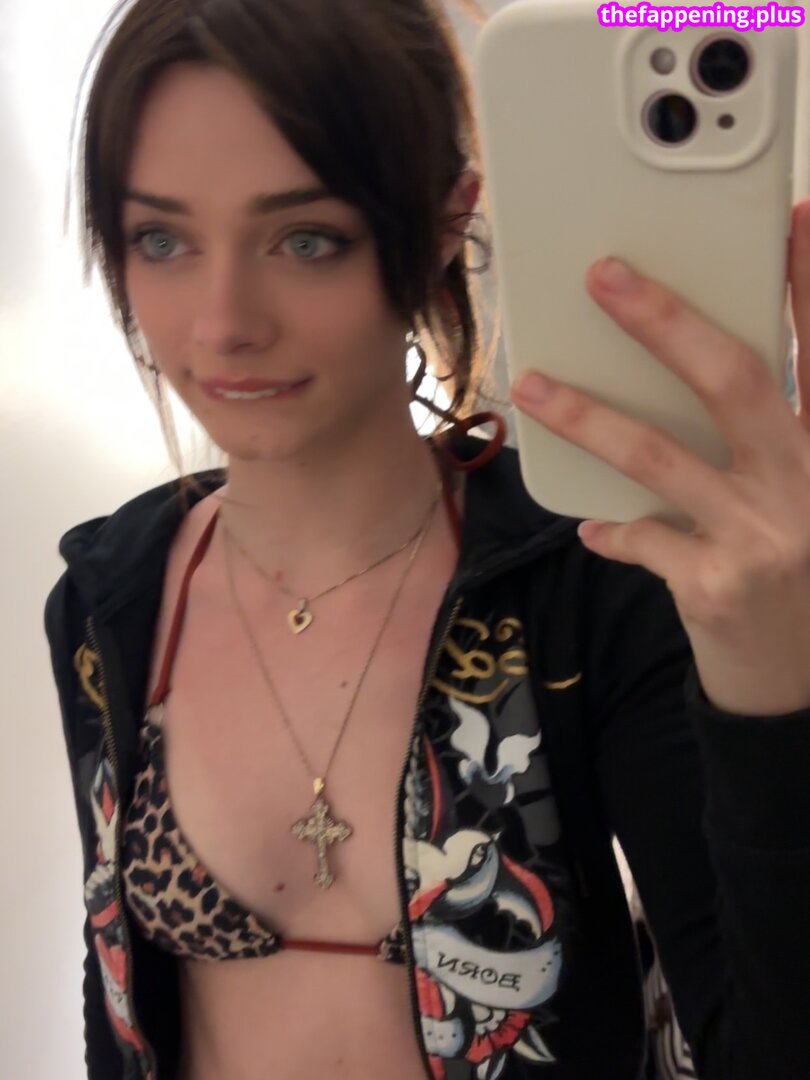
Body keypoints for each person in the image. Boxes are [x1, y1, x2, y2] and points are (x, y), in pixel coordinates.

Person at [44, 1, 810, 1078]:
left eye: (306, 239)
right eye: (160, 239)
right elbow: (116, 993)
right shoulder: (109, 599)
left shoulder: (585, 591)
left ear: (447, 223)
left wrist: (774, 672)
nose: (223, 323)